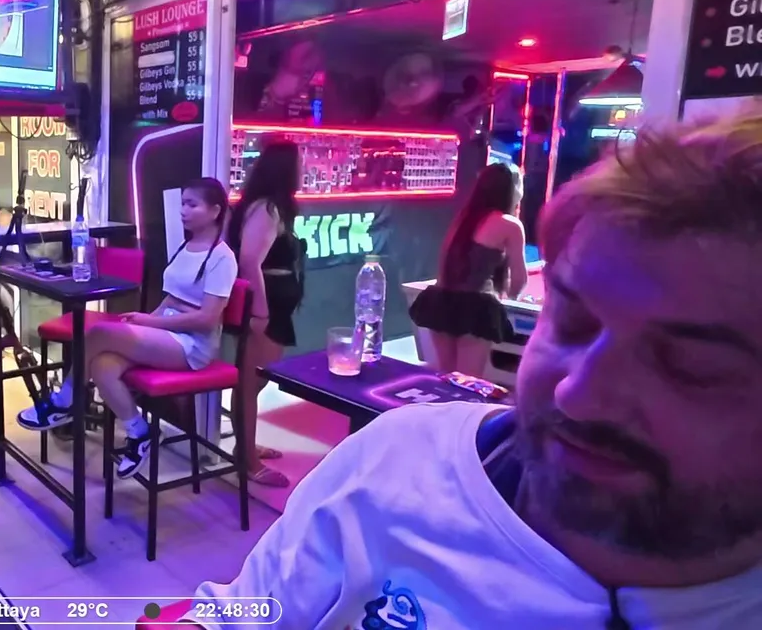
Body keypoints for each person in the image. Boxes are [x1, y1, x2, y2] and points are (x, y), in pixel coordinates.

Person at [185, 116, 762, 628]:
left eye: (691, 365)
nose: (580, 393)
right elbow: (234, 613)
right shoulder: (394, 457)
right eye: (570, 320)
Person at [17, 178, 238, 478]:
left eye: (192, 204)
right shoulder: (186, 247)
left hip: (193, 346)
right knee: (101, 366)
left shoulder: (222, 258)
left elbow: (207, 319)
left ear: (215, 211)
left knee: (99, 333)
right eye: (182, 203)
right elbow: (173, 298)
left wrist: (152, 322)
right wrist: (150, 320)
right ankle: (140, 432)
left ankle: (64, 400)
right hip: (168, 334)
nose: (183, 211)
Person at [225, 138, 304, 488]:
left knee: (253, 380)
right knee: (251, 381)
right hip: (264, 305)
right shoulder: (268, 208)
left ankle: (246, 446)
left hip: (271, 304)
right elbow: (249, 260)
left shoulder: (264, 206)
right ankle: (248, 461)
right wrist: (260, 310)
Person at [409, 162, 528, 376]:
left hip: (441, 300)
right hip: (475, 306)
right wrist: (511, 300)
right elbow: (519, 280)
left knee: (446, 379)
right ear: (511, 189)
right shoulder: (510, 225)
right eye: (520, 184)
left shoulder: (464, 219)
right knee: (467, 383)